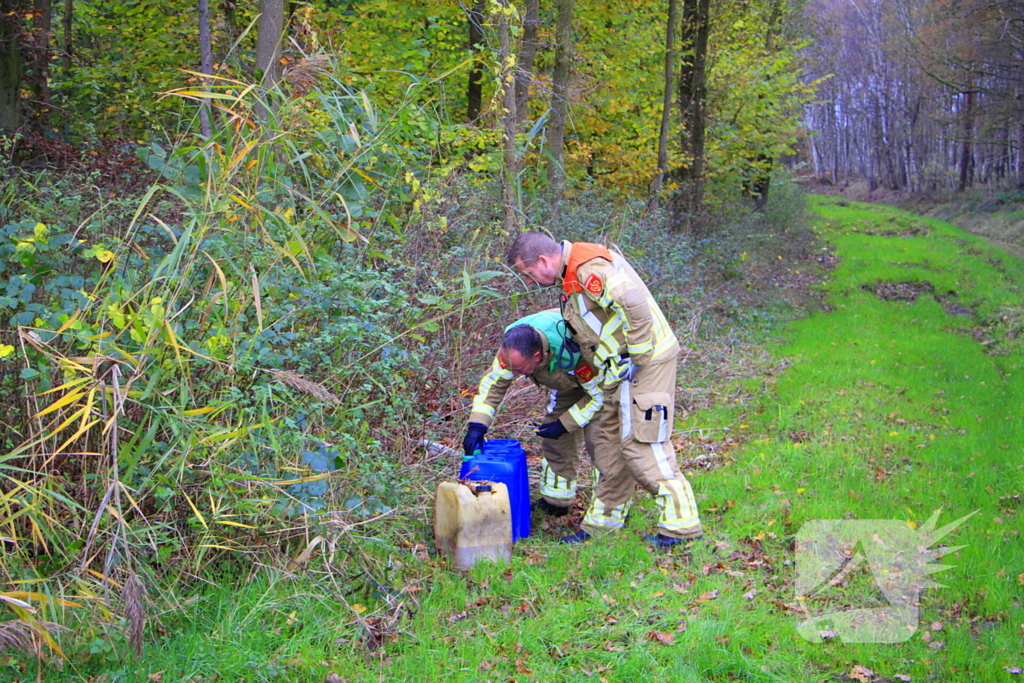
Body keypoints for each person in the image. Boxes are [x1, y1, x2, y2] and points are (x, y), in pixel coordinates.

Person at [506, 231, 703, 547]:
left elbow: (632, 301)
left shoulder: (589, 269)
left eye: (529, 274)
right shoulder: (571, 276)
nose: (530, 281)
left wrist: (637, 355)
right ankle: (604, 523)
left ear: (543, 260)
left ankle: (681, 525)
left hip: (644, 365)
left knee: (642, 442)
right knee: (607, 442)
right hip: (618, 369)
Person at [463, 309, 603, 515]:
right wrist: (477, 426)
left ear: (537, 356)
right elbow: (493, 386)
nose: (515, 374)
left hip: (602, 376)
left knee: (601, 442)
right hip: (566, 381)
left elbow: (600, 395)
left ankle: (608, 510)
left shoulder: (579, 349)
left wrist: (565, 424)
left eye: (519, 369)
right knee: (556, 439)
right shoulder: (513, 347)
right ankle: (557, 503)